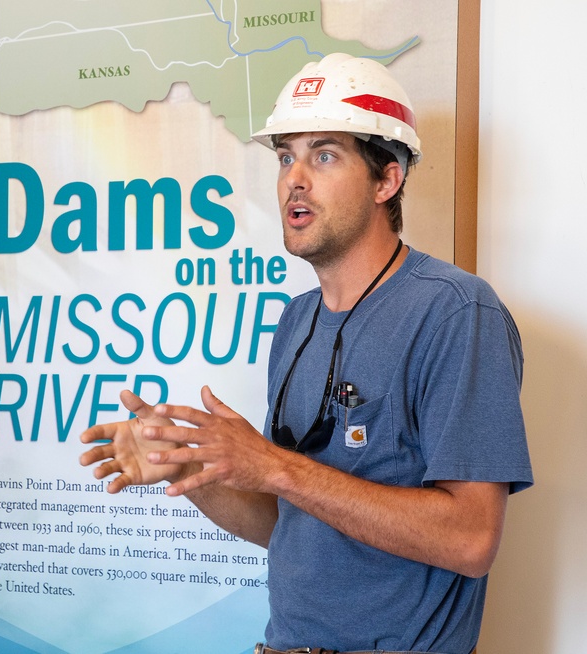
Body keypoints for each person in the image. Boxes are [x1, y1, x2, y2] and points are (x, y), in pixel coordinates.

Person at [79, 53, 533, 654]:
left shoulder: (454, 312)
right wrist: (195, 470)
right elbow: (287, 524)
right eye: (286, 156)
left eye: (324, 154)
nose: (295, 178)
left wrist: (273, 465)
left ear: (386, 179)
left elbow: (472, 540)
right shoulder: (297, 321)